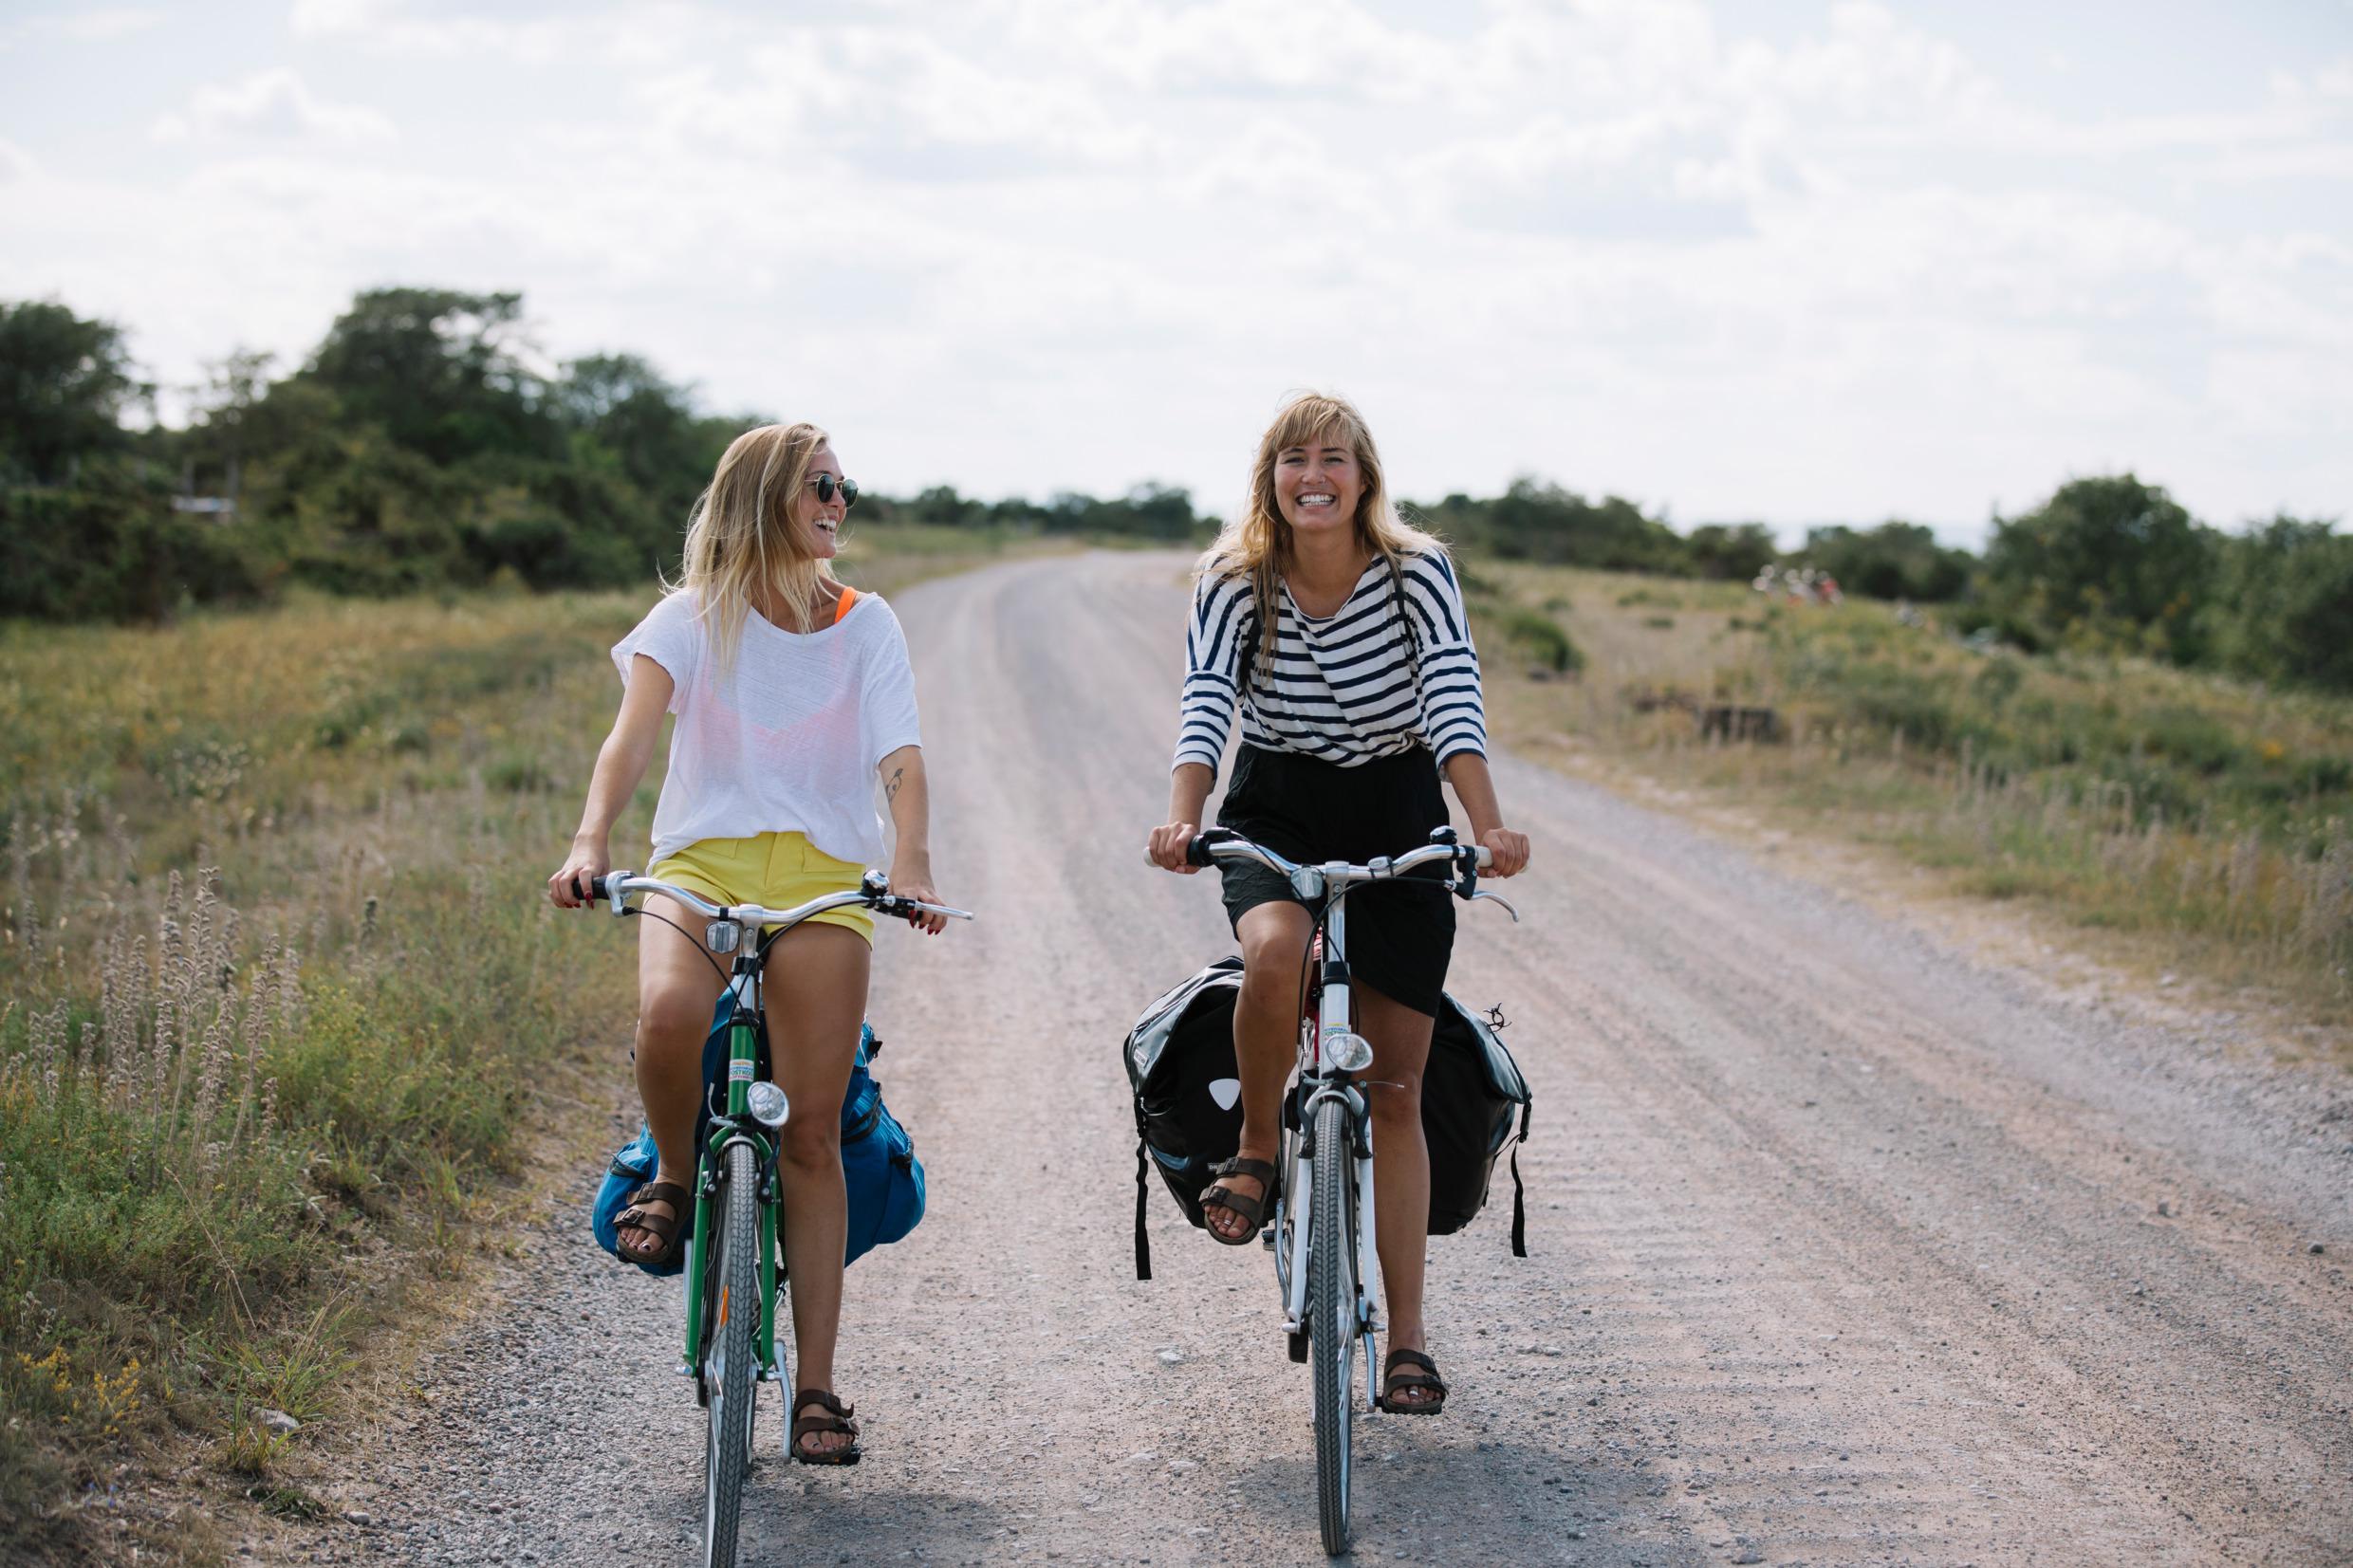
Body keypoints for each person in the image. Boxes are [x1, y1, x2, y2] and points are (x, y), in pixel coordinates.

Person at [549, 421, 950, 1464]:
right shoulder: (690, 618)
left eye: (844, 486)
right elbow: (629, 738)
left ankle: (815, 1388)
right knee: (670, 1014)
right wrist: (590, 842)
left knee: (811, 1133)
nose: (838, 501)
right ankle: (678, 1180)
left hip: (820, 882)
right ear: (767, 496)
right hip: (699, 864)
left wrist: (908, 863)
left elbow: (899, 754)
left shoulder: (868, 625)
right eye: (821, 484)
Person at [1146, 391, 1530, 1416]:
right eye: (1291, 459)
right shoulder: (1235, 579)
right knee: (1274, 953)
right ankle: (1260, 1155)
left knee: (1396, 1089)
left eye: (1334, 459)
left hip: (1398, 802)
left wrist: (1485, 825)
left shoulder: (1415, 573)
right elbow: (1206, 699)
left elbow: (1450, 691)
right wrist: (1182, 818)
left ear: (1364, 478)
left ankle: (1407, 1341)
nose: (1312, 475)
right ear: (1268, 477)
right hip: (1277, 804)